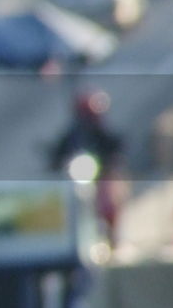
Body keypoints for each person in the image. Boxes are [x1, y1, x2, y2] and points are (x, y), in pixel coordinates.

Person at [48, 88, 126, 244]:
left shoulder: (103, 132)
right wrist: (56, 161)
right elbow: (60, 150)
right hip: (78, 178)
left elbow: (114, 146)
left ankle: (112, 234)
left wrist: (111, 160)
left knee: (109, 196)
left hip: (101, 174)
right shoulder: (73, 133)